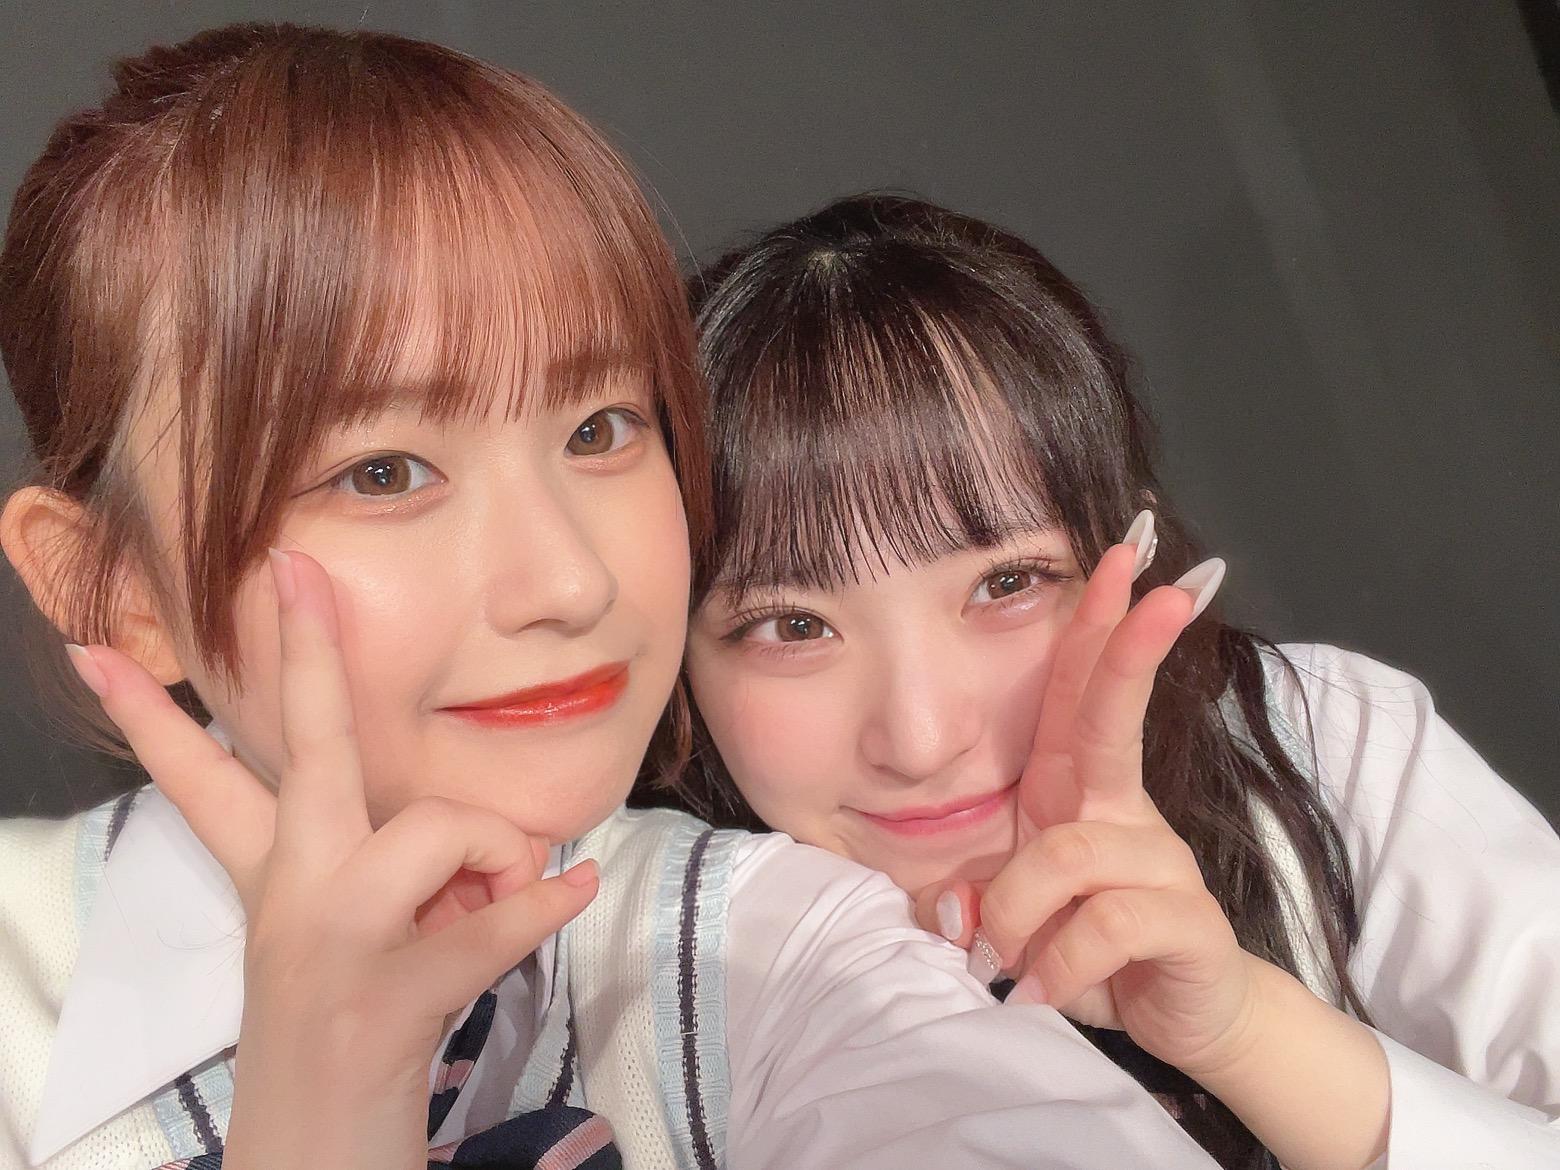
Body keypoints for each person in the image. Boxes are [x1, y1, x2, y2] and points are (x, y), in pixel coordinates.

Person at [0, 31, 1227, 1170]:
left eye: (600, 429)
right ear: (117, 585)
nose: (572, 583)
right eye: (383, 473)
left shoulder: (781, 949)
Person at [677, 193, 1560, 1170]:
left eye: (1006, 584)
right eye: (794, 627)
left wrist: (1243, 1029)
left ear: (1126, 553)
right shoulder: (611, 985)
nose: (921, 739)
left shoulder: (1318, 744)